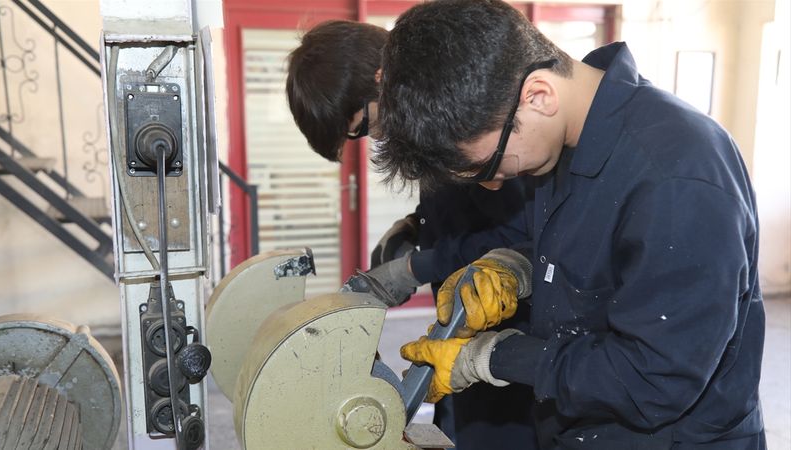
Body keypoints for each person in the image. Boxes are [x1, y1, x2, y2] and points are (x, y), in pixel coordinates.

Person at [377, 1, 767, 449]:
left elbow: (655, 379)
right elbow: (603, 254)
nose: (491, 185)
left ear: (538, 96)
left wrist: (492, 357)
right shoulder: (565, 142)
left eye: (486, 167)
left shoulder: (678, 175)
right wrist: (516, 266)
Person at [285, 20, 538, 449]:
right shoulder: (426, 128)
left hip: (508, 339)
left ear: (382, 80)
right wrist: (417, 225)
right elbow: (463, 206)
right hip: (459, 326)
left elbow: (520, 239)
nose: (376, 136)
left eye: (365, 126)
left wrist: (416, 267)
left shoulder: (468, 119)